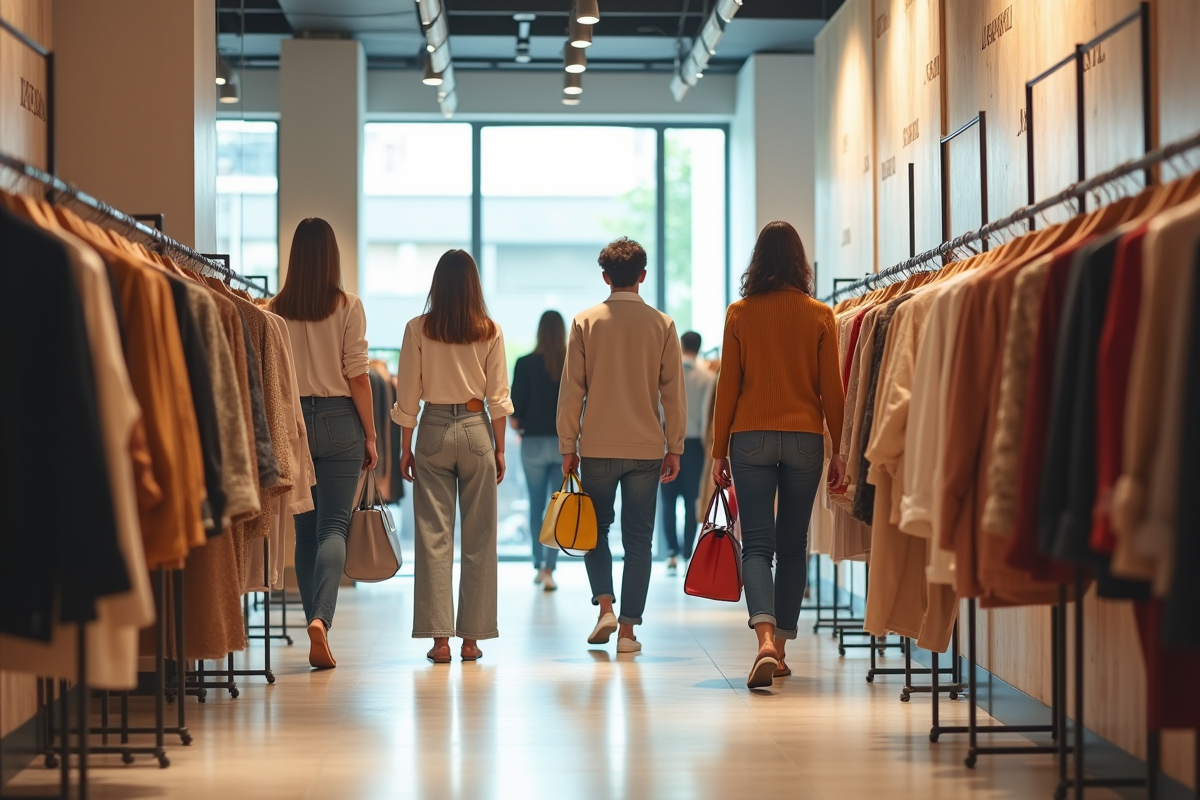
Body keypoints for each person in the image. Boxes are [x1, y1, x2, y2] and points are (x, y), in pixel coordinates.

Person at [711, 220, 846, 689]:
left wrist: (716, 452)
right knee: (792, 545)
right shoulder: (820, 315)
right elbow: (833, 390)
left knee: (759, 544)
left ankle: (764, 637)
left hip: (749, 437)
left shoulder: (739, 314)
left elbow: (727, 389)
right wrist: (841, 449)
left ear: (757, 261)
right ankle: (782, 648)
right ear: (799, 262)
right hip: (806, 439)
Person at [558, 237, 687, 654]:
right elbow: (673, 394)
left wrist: (568, 445)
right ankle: (629, 632)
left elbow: (571, 391)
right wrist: (676, 446)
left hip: (596, 446)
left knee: (595, 532)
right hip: (647, 449)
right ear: (643, 277)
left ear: (606, 277)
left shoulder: (585, 322)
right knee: (639, 539)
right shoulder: (663, 325)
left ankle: (605, 609)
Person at [393, 250, 512, 664]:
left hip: (433, 429)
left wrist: (404, 446)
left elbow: (407, 393)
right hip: (477, 428)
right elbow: (498, 398)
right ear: (474, 285)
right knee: (479, 538)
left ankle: (440, 640)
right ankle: (472, 640)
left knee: (433, 537)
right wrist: (498, 449)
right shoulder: (490, 331)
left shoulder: (417, 329)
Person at [271, 218, 378, 670]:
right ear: (333, 256)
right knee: (335, 527)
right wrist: (372, 435)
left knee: (304, 532)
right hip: (339, 420)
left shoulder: (272, 307)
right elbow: (358, 375)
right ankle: (322, 620)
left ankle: (309, 618)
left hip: (293, 422)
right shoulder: (349, 306)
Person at [511, 311, 567, 592]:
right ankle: (549, 568)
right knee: (558, 508)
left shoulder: (524, 363)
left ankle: (537, 562)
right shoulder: (572, 363)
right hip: (563, 444)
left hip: (532, 442)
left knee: (536, 505)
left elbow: (514, 411)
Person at [660, 331, 716, 573]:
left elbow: (661, 410)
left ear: (680, 345)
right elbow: (707, 416)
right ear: (699, 347)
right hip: (695, 445)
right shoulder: (708, 377)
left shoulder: (666, 374)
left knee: (667, 499)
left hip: (667, 441)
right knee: (692, 500)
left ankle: (671, 553)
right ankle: (686, 554)